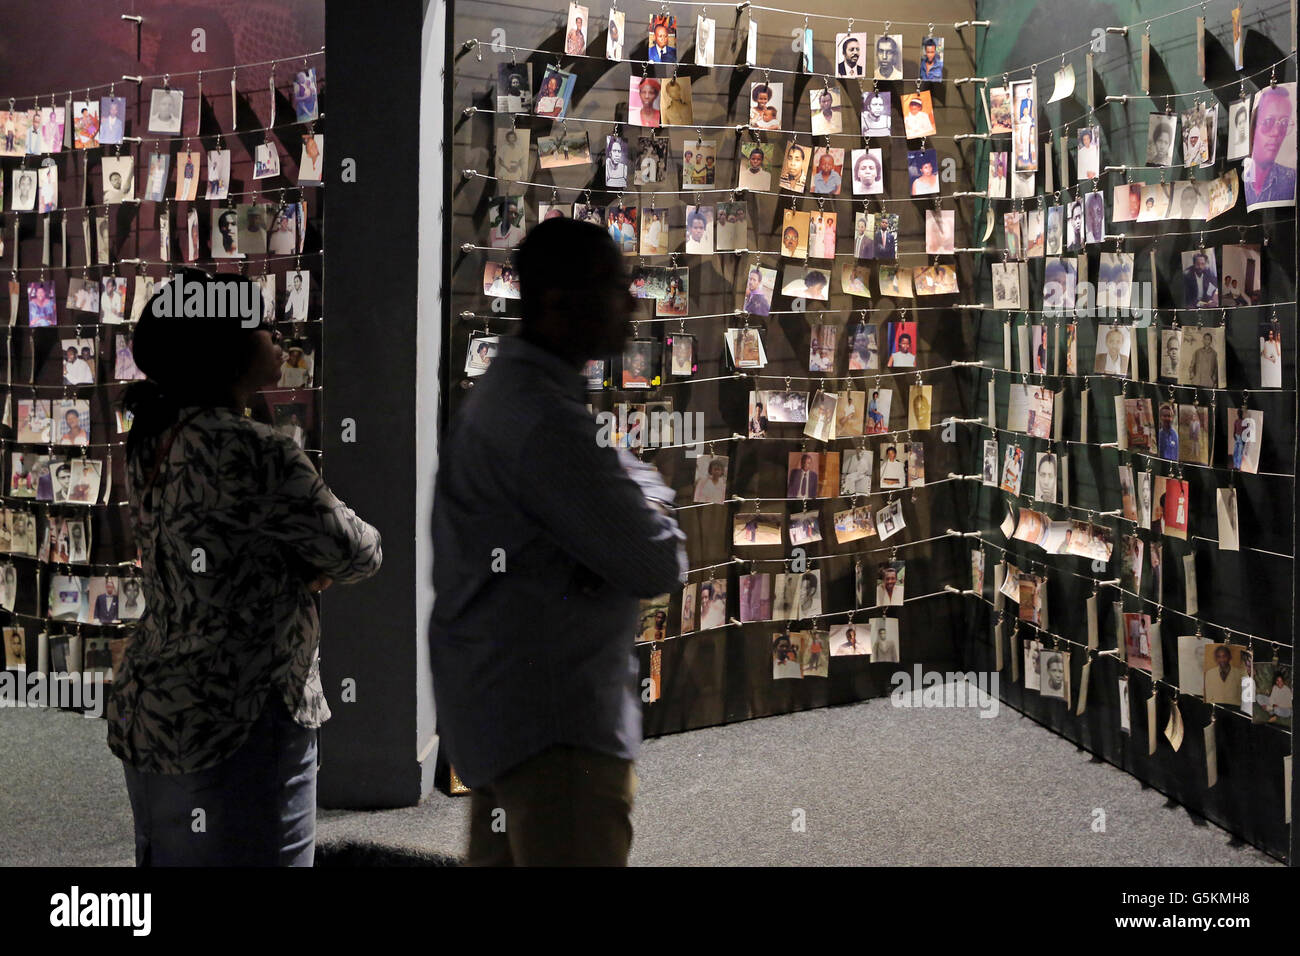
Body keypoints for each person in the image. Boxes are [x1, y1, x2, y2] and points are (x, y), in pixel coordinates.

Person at [106, 268, 382, 866]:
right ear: (224, 347)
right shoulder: (259, 450)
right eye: (261, 326)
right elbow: (360, 551)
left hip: (158, 703)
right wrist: (302, 565)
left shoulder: (154, 435)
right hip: (246, 715)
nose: (278, 336)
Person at [430, 219, 685, 866]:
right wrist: (647, 494)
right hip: (558, 732)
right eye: (613, 285)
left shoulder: (512, 396)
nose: (631, 302)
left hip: (506, 713)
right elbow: (654, 560)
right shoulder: (547, 423)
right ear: (556, 301)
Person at [1243, 85, 1296, 206]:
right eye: (1268, 122)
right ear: (1253, 130)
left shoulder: (1291, 179)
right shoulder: (1245, 179)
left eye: (1284, 123)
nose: (1277, 132)